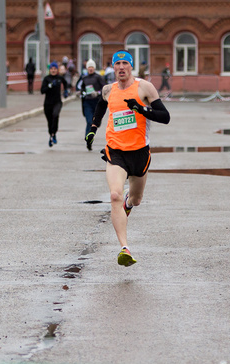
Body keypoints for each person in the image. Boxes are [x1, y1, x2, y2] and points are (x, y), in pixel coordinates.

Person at [84, 50, 170, 267]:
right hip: (116, 151)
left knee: (136, 199)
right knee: (114, 195)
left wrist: (140, 109)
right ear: (113, 67)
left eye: (125, 63)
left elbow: (165, 117)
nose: (121, 67)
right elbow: (101, 107)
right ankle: (125, 248)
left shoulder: (144, 88)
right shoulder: (107, 90)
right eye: (117, 64)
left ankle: (129, 204)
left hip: (140, 152)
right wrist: (93, 128)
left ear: (131, 67)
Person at [78, 59, 106, 150]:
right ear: (87, 68)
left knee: (96, 122)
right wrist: (82, 93)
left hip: (97, 102)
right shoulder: (84, 78)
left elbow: (104, 88)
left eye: (92, 67)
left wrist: (98, 93)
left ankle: (90, 136)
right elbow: (81, 88)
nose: (90, 69)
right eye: (89, 67)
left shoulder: (98, 77)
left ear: (94, 68)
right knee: (89, 121)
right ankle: (88, 140)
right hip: (87, 102)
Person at [40, 61, 70, 147]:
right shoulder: (46, 79)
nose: (53, 70)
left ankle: (54, 133)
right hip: (47, 103)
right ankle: (51, 135)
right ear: (49, 70)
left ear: (57, 70)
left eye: (55, 69)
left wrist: (65, 91)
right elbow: (42, 91)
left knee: (55, 115)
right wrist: (49, 86)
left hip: (57, 102)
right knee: (50, 121)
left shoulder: (59, 78)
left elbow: (65, 83)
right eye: (52, 69)